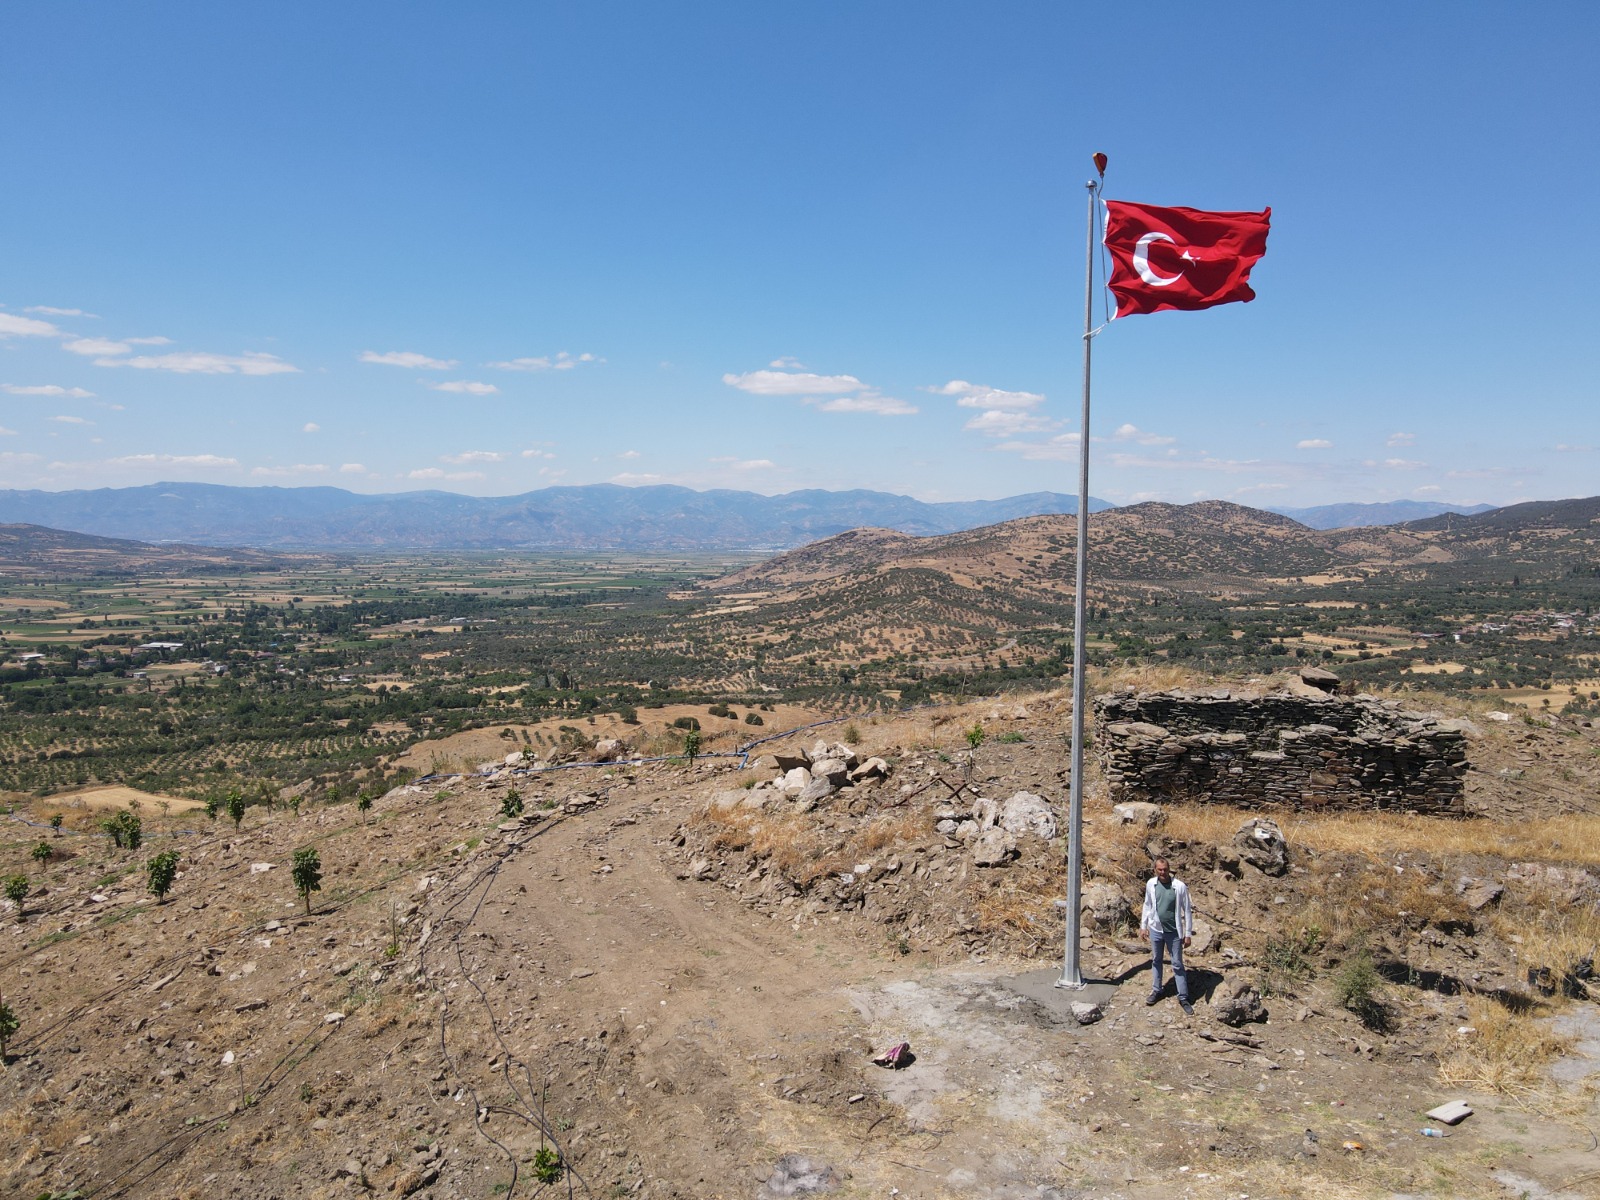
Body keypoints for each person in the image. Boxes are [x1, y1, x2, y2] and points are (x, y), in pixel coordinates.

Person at [1140, 856, 1193, 1014]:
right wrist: (1144, 926)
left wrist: (1188, 933)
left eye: (1165, 869)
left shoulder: (1179, 887)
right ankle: (1157, 990)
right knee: (1156, 960)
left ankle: (1183, 996)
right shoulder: (1151, 884)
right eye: (1159, 870)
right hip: (1156, 929)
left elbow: (1187, 910)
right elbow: (1147, 904)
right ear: (1155, 870)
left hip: (1174, 932)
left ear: (1169, 869)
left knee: (1177, 963)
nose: (1163, 872)